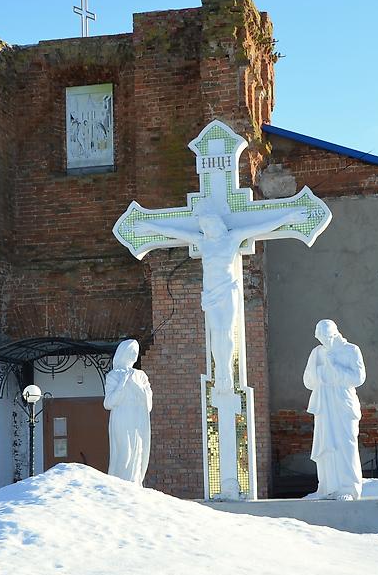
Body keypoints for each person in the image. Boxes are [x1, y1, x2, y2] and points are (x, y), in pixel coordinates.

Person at [138, 201, 305, 392]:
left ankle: (227, 369)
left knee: (226, 331)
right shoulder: (203, 241)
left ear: (216, 223)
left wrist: (287, 218)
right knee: (215, 332)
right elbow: (174, 232)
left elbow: (261, 227)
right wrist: (150, 227)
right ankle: (220, 370)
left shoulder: (232, 238)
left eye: (208, 225)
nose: (206, 230)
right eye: (204, 227)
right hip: (210, 293)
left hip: (227, 291)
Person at [303, 319, 366, 500]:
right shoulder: (317, 353)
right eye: (320, 338)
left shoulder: (351, 350)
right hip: (324, 403)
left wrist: (335, 367)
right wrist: (321, 372)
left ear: (335, 334)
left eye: (326, 337)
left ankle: (348, 489)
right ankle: (327, 488)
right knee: (327, 445)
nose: (323, 342)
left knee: (346, 444)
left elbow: (358, 378)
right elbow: (308, 381)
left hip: (343, 402)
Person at [103, 339, 153, 485]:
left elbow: (148, 402)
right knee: (125, 452)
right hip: (122, 419)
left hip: (137, 419)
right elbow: (109, 403)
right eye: (131, 351)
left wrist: (134, 385)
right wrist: (123, 383)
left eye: (136, 352)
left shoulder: (141, 375)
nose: (134, 355)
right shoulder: (113, 375)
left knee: (138, 451)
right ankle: (121, 485)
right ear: (123, 353)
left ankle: (134, 484)